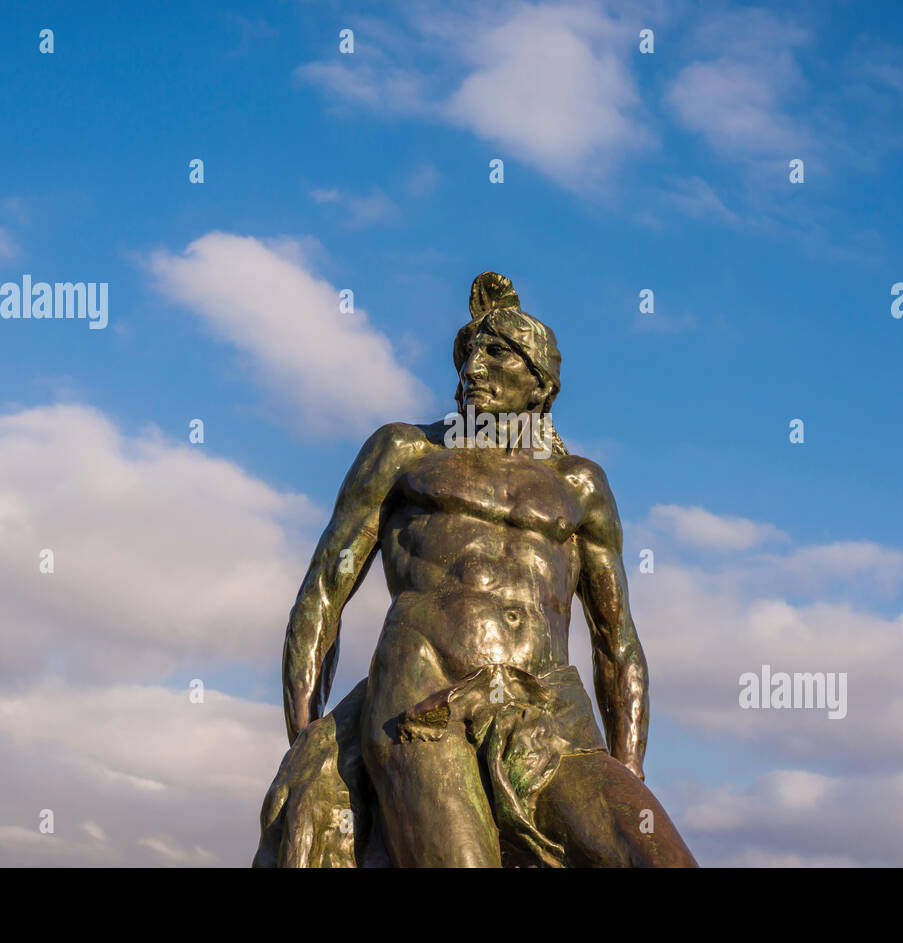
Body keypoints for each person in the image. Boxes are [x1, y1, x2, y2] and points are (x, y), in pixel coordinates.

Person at [255, 272, 696, 867]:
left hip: (550, 711)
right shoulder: (406, 452)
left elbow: (617, 642)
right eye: (468, 355)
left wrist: (629, 770)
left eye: (497, 353)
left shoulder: (580, 485)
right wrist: (305, 733)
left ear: (542, 385)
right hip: (420, 697)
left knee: (657, 856)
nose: (474, 369)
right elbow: (321, 598)